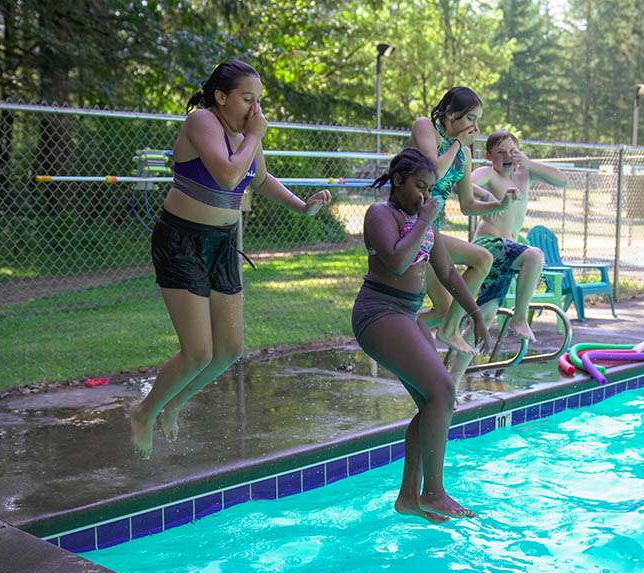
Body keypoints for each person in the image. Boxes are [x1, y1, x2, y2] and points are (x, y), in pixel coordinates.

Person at [130, 59, 331, 459]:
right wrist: (254, 136)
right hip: (182, 241)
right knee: (198, 352)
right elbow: (226, 176)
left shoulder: (244, 134)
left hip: (223, 241)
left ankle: (175, 402)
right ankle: (143, 412)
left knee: (229, 348)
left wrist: (301, 206)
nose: (254, 109)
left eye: (258, 101)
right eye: (246, 99)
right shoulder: (203, 121)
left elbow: (257, 178)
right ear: (221, 97)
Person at [352, 148, 491, 522]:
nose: (425, 197)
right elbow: (396, 262)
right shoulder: (380, 214)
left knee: (435, 401)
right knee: (443, 391)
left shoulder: (423, 221)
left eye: (430, 190)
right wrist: (423, 222)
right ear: (398, 181)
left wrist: (475, 314)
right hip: (379, 312)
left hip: (406, 314)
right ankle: (434, 492)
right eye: (419, 187)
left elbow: (447, 272)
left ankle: (409, 498)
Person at [445, 129, 568, 388]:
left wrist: (529, 162)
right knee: (534, 256)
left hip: (507, 253)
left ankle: (451, 385)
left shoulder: (525, 174)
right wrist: (487, 196)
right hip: (489, 246)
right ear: (490, 156)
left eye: (512, 151)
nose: (507, 156)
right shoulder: (490, 174)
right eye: (500, 152)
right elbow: (462, 183)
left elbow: (561, 180)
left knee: (484, 321)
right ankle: (519, 318)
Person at [407, 87, 518, 355]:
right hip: (410, 224)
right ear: (451, 114)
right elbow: (432, 168)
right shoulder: (426, 128)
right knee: (483, 259)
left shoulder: (464, 155)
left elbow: (468, 205)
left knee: (445, 310)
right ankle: (449, 331)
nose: (475, 127)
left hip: (432, 233)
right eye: (471, 118)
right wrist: (458, 143)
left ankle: (386, 333)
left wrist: (498, 204)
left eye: (477, 120)